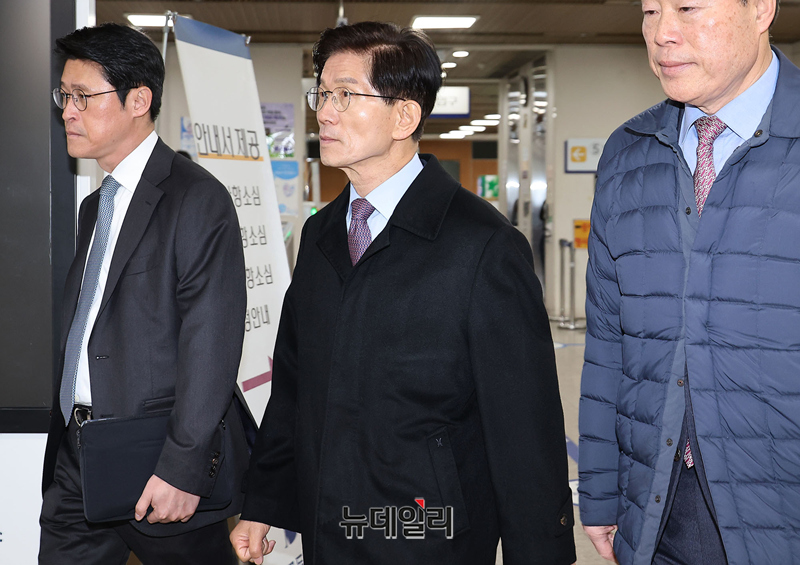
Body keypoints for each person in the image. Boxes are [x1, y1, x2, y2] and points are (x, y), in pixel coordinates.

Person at [230, 21, 576, 565]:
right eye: (322, 94)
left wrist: (541, 554)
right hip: (329, 525)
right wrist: (264, 500)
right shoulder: (320, 234)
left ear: (405, 117)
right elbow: (295, 385)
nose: (325, 113)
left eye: (346, 95)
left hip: (428, 533)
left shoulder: (482, 245)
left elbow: (524, 427)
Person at [579, 0, 798, 563]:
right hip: (660, 507)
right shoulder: (628, 151)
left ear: (761, 9)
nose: (662, 33)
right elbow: (609, 344)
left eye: (688, 8)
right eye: (650, 11)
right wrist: (600, 492)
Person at [39, 23, 250, 564]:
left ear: (139, 100)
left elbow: (212, 344)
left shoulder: (196, 198)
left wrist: (183, 467)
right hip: (78, 456)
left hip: (156, 458)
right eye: (64, 96)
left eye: (83, 96)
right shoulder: (95, 207)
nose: (68, 112)